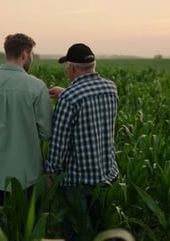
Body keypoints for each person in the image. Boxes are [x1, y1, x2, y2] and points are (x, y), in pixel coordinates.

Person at [0, 33, 52, 218]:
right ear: (24, 54)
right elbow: (46, 132)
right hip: (26, 177)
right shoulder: (36, 87)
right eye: (31, 55)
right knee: (24, 231)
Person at [46, 43, 119, 241]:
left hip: (76, 181)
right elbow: (91, 108)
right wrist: (65, 93)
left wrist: (51, 174)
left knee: (75, 232)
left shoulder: (70, 98)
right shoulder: (110, 88)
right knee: (104, 230)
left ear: (72, 68)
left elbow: (59, 143)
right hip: (106, 175)